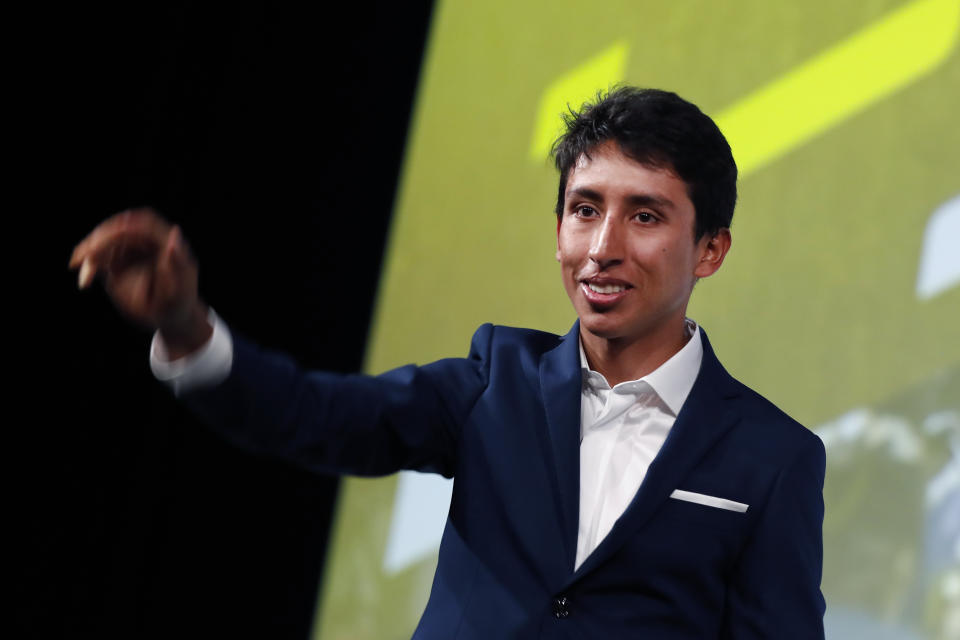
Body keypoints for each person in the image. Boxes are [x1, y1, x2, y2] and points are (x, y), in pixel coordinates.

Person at [71, 87, 826, 638]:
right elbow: (314, 416)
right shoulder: (495, 378)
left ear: (711, 249)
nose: (602, 248)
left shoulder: (774, 456)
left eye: (646, 215)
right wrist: (184, 323)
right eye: (585, 209)